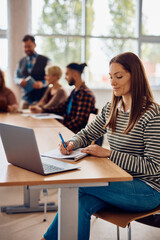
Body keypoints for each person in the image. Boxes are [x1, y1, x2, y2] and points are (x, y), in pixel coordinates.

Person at [41, 52, 160, 240]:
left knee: (77, 186)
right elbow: (88, 133)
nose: (112, 82)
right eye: (111, 76)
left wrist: (108, 154)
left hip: (147, 190)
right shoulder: (112, 108)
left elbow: (154, 166)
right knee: (81, 203)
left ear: (135, 76)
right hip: (120, 182)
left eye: (119, 76)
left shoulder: (152, 114)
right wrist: (72, 143)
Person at [30, 62, 97, 133]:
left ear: (75, 75)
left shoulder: (85, 94)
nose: (65, 77)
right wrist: (42, 110)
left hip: (76, 135)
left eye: (67, 74)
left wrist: (62, 128)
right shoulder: (74, 91)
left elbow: (79, 121)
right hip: (69, 130)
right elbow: (61, 108)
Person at [14, 34, 51, 109]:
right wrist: (19, 81)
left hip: (41, 100)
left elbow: (52, 77)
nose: (27, 49)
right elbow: (15, 78)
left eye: (29, 46)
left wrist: (42, 83)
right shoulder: (20, 62)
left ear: (34, 45)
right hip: (25, 99)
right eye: (25, 47)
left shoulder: (46, 60)